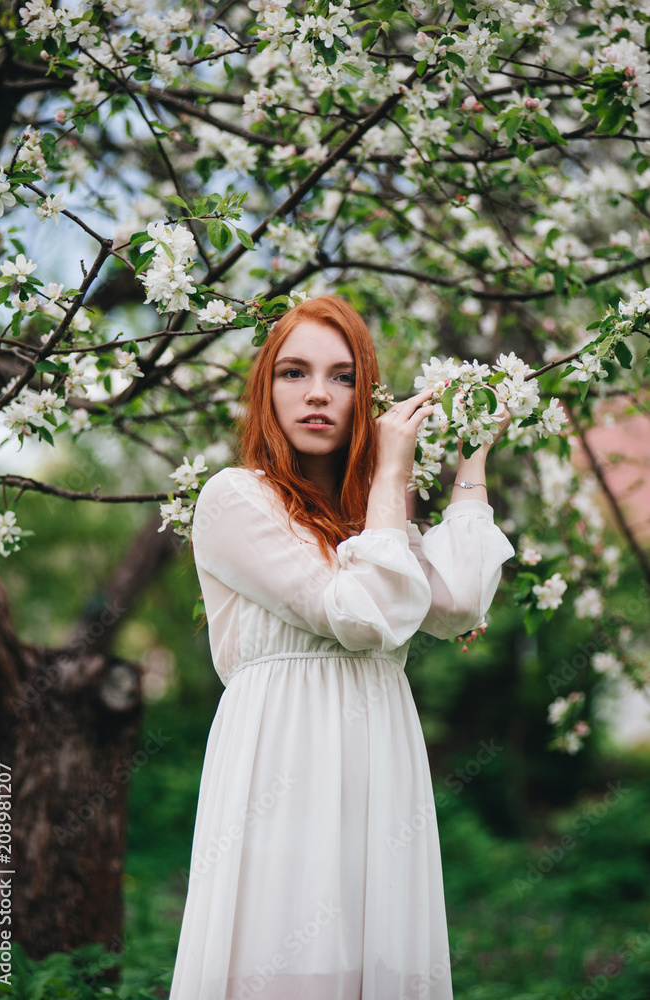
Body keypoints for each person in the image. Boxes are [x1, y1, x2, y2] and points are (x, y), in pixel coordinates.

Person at [169, 296, 515, 1000]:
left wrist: (470, 465)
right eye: (294, 373)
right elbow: (358, 615)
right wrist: (392, 474)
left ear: (367, 395)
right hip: (280, 763)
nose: (319, 394)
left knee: (369, 957)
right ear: (266, 390)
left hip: (377, 759)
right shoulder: (235, 500)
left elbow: (456, 605)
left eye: (343, 376)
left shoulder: (371, 524)